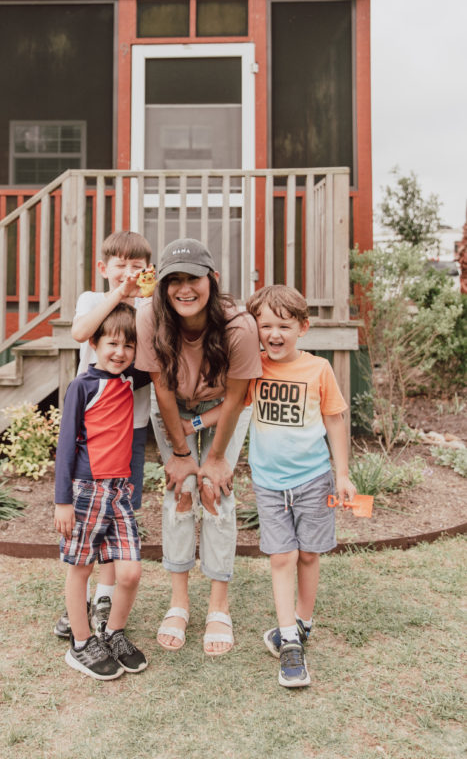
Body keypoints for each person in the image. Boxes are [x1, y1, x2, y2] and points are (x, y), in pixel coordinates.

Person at [135, 238, 262, 655]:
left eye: (193, 278)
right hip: (175, 407)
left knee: (215, 492)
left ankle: (218, 606)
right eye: (174, 280)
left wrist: (216, 457)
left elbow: (237, 396)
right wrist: (183, 454)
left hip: (225, 407)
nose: (183, 288)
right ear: (163, 286)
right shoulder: (150, 318)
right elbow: (163, 389)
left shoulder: (239, 326)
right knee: (180, 492)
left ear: (213, 279)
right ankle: (178, 602)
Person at [244, 284, 357, 688]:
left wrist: (342, 474)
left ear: (303, 328)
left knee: (309, 555)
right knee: (281, 557)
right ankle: (289, 639)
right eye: (265, 325)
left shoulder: (318, 369)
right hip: (269, 483)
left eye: (284, 326)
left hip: (313, 479)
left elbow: (334, 421)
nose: (274, 334)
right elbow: (227, 401)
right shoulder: (252, 367)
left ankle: (303, 623)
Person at [53, 230, 152, 640]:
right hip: (92, 426)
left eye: (136, 267)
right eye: (120, 266)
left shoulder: (149, 308)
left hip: (131, 429)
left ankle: (104, 598)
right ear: (104, 269)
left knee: (118, 517)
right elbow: (80, 333)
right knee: (88, 523)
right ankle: (82, 603)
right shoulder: (94, 300)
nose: (127, 274)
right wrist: (120, 295)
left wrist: (146, 301)